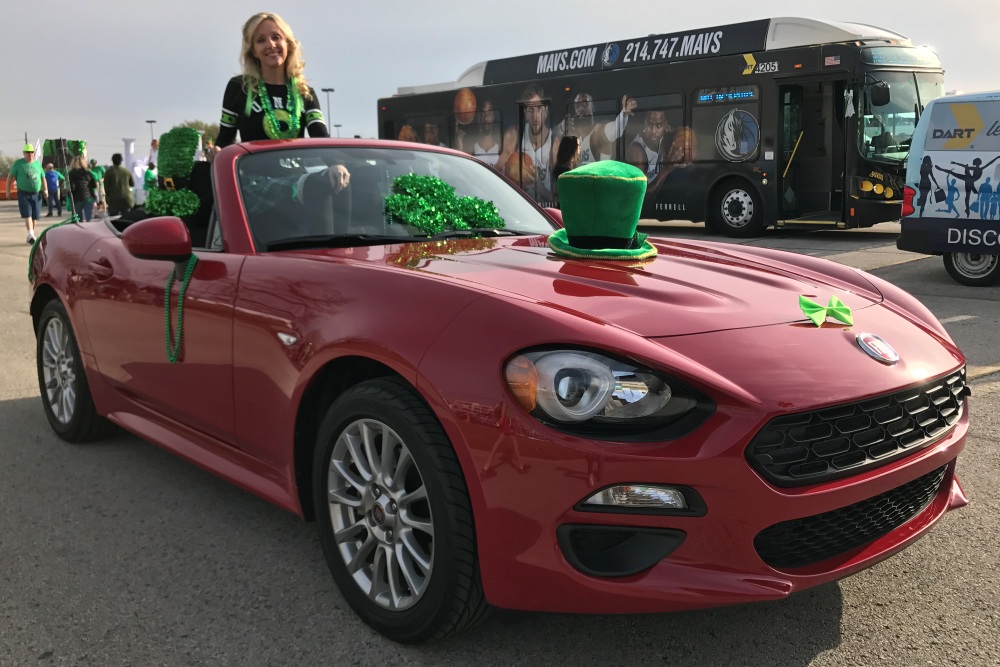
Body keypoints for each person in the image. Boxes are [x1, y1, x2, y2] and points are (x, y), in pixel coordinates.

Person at [216, 12, 331, 147]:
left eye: (276, 37)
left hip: (296, 169)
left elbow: (322, 139)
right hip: (253, 168)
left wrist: (337, 165)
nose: (271, 44)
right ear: (253, 50)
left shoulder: (304, 91)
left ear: (287, 43)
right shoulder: (238, 87)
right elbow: (225, 140)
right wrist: (215, 152)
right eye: (261, 40)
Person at [560, 92, 636, 165]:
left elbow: (615, 130)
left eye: (585, 103)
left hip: (600, 177)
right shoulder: (575, 137)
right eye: (577, 105)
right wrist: (561, 127)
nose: (581, 108)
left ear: (592, 107)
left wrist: (624, 114)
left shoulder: (598, 132)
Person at [6, 144, 47, 243]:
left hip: (37, 194)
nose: (30, 154)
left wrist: (46, 190)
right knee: (27, 214)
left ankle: (30, 234)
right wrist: (8, 190)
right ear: (24, 153)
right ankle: (31, 234)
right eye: (27, 152)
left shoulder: (37, 164)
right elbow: (10, 177)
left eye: (31, 152)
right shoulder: (18, 164)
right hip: (24, 194)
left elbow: (43, 177)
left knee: (35, 216)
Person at [552, 135, 580, 207]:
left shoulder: (560, 169)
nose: (580, 148)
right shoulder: (565, 172)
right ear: (572, 149)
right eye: (578, 145)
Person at [103, 153, 135, 217]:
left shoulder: (109, 172)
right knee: (127, 220)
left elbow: (106, 187)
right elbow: (132, 184)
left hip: (113, 200)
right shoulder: (127, 171)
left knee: (113, 222)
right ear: (121, 160)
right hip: (126, 200)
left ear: (112, 161)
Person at [68, 154, 97, 222]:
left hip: (77, 198)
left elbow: (72, 187)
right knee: (89, 218)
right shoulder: (88, 173)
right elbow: (94, 186)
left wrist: (70, 195)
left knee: (78, 219)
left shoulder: (71, 173)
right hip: (88, 197)